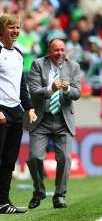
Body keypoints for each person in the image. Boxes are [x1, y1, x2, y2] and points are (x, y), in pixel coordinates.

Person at [26, 38, 81, 209]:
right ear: (49, 51)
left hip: (63, 119)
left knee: (64, 158)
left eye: (62, 50)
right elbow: (33, 91)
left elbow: (77, 93)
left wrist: (66, 89)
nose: (60, 53)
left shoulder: (73, 67)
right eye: (56, 50)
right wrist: (51, 89)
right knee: (34, 157)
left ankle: (59, 195)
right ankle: (39, 191)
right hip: (41, 119)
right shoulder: (37, 64)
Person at [0, 14, 37, 214]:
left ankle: (3, 203)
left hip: (16, 113)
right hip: (1, 111)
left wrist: (29, 107)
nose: (15, 31)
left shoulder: (19, 54)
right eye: (11, 27)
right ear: (2, 30)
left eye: (17, 27)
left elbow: (21, 85)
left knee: (8, 161)